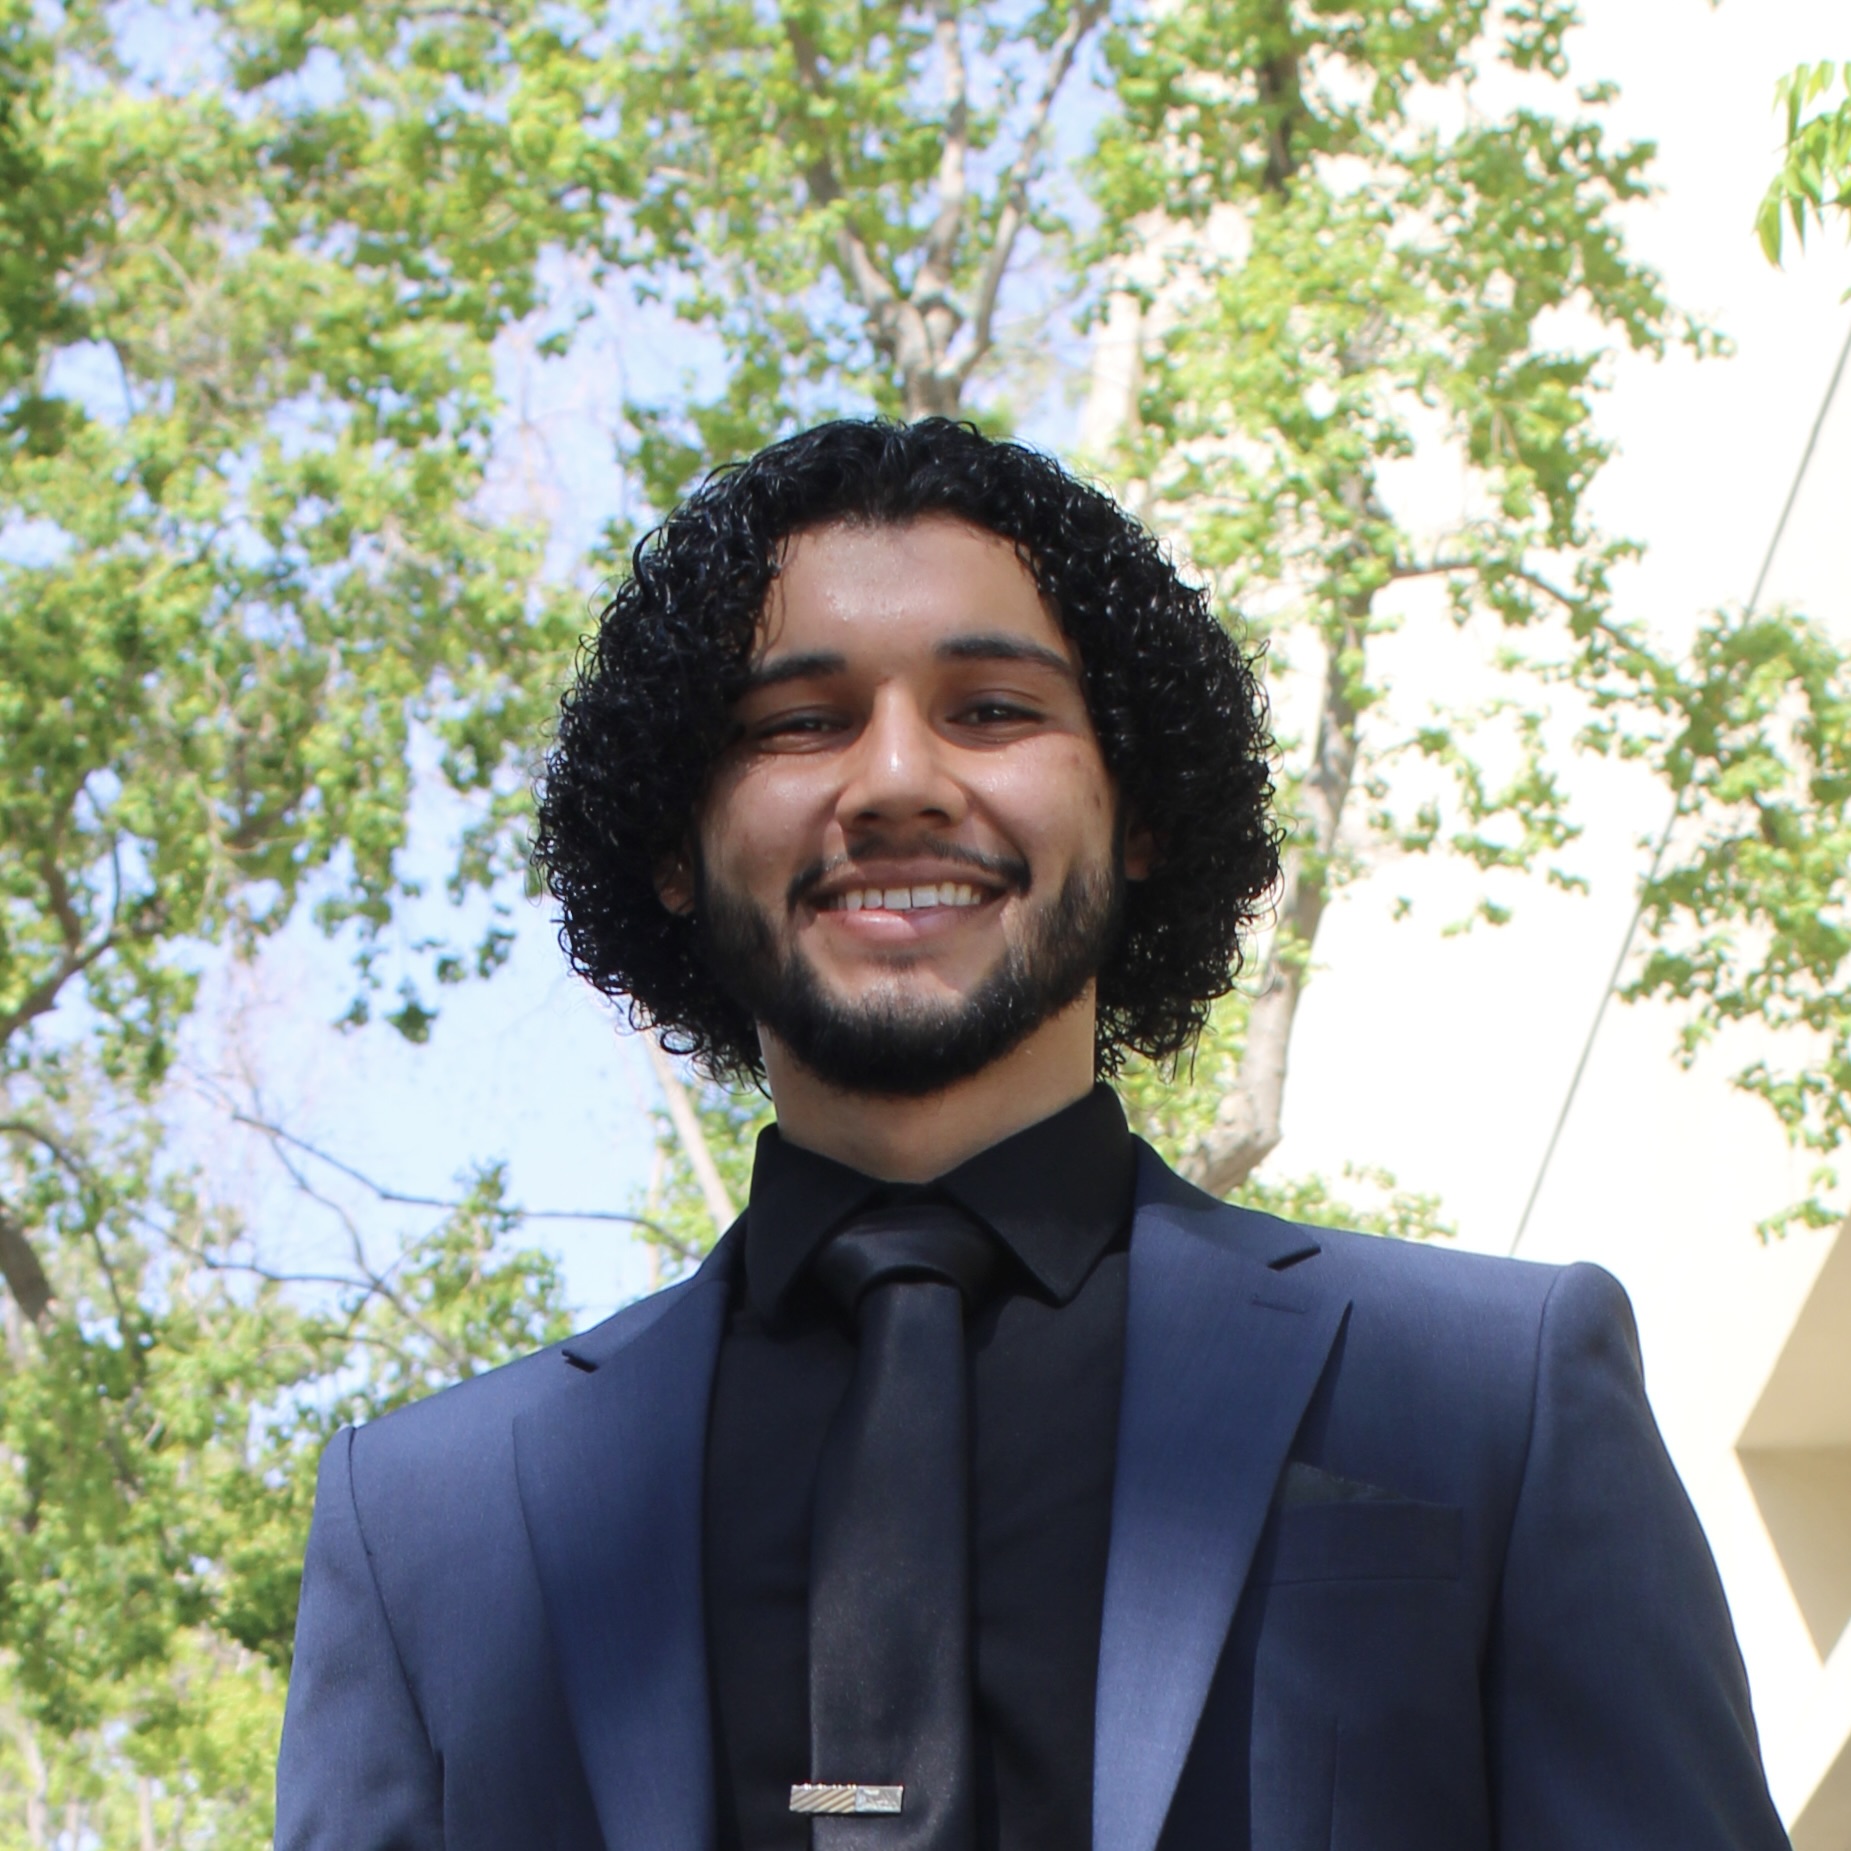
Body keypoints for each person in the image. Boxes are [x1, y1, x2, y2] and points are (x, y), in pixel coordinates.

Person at [275, 417, 1789, 1851]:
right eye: (799, 722)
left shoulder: (1496, 1394)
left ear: (1139, 815)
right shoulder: (424, 1529)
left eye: (991, 710)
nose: (896, 780)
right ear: (675, 848)